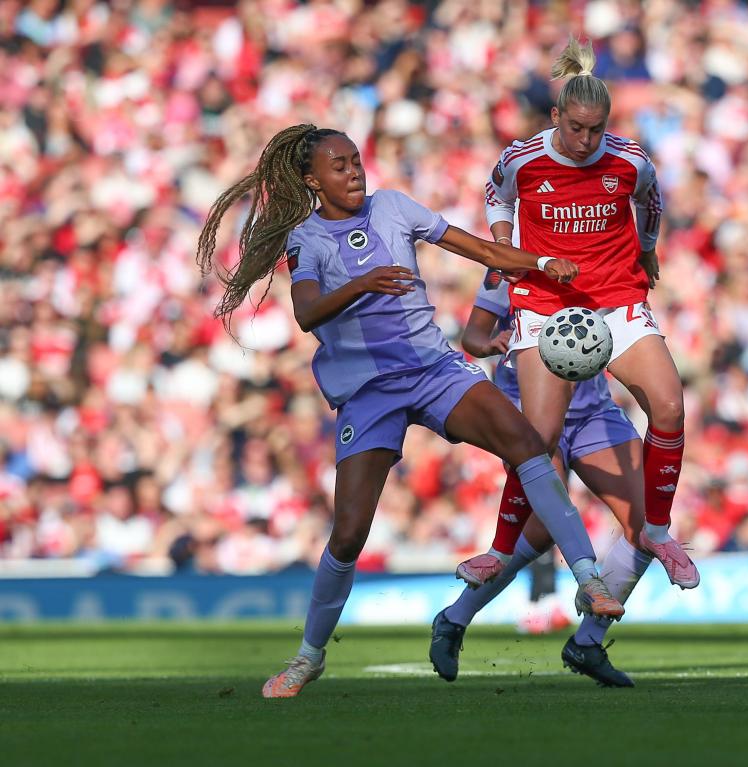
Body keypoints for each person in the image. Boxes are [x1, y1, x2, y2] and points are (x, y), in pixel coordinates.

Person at [196, 125, 626, 699]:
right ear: (311, 179)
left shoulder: (395, 207)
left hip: (433, 370)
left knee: (526, 443)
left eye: (355, 161)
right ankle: (309, 657)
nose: (354, 172)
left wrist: (540, 262)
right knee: (348, 536)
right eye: (339, 166)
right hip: (369, 393)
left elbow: (479, 249)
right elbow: (306, 314)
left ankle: (590, 579)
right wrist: (364, 283)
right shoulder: (306, 240)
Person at [480, 36, 699, 589]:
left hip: (617, 300)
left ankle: (657, 529)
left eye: (596, 128)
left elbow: (651, 200)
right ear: (557, 116)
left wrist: (648, 247)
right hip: (547, 305)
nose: (585, 139)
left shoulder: (628, 160)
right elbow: (497, 197)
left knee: (669, 404)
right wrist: (506, 246)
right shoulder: (522, 159)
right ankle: (498, 548)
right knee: (540, 437)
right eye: (576, 127)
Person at [429, 267, 651, 687]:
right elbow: (472, 337)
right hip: (528, 415)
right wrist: (497, 342)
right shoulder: (507, 270)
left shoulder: (603, 263)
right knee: (545, 527)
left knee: (647, 523)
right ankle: (455, 618)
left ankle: (587, 641)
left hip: (592, 411)